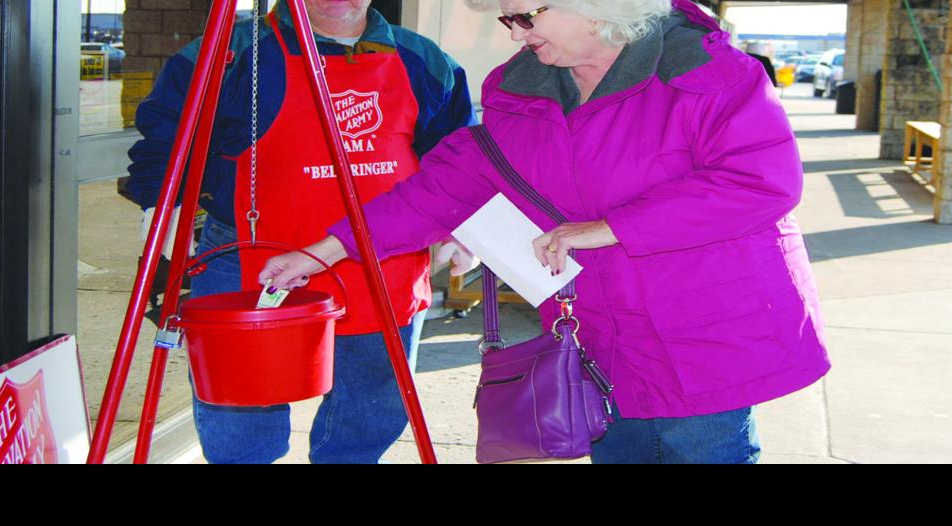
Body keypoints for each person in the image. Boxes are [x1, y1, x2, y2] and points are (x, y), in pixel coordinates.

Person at [262, 0, 831, 464]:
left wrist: (609, 228)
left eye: (525, 17)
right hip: (605, 337)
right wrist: (323, 252)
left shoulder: (705, 72)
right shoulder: (522, 91)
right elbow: (437, 190)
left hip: (705, 332)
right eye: (507, 19)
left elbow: (760, 181)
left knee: (701, 450)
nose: (515, 35)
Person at [127, 0, 476, 463]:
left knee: (373, 397)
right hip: (247, 252)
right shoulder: (231, 51)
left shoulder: (423, 59)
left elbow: (456, 156)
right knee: (240, 400)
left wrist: (461, 225)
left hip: (380, 257)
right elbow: (166, 136)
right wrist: (162, 209)